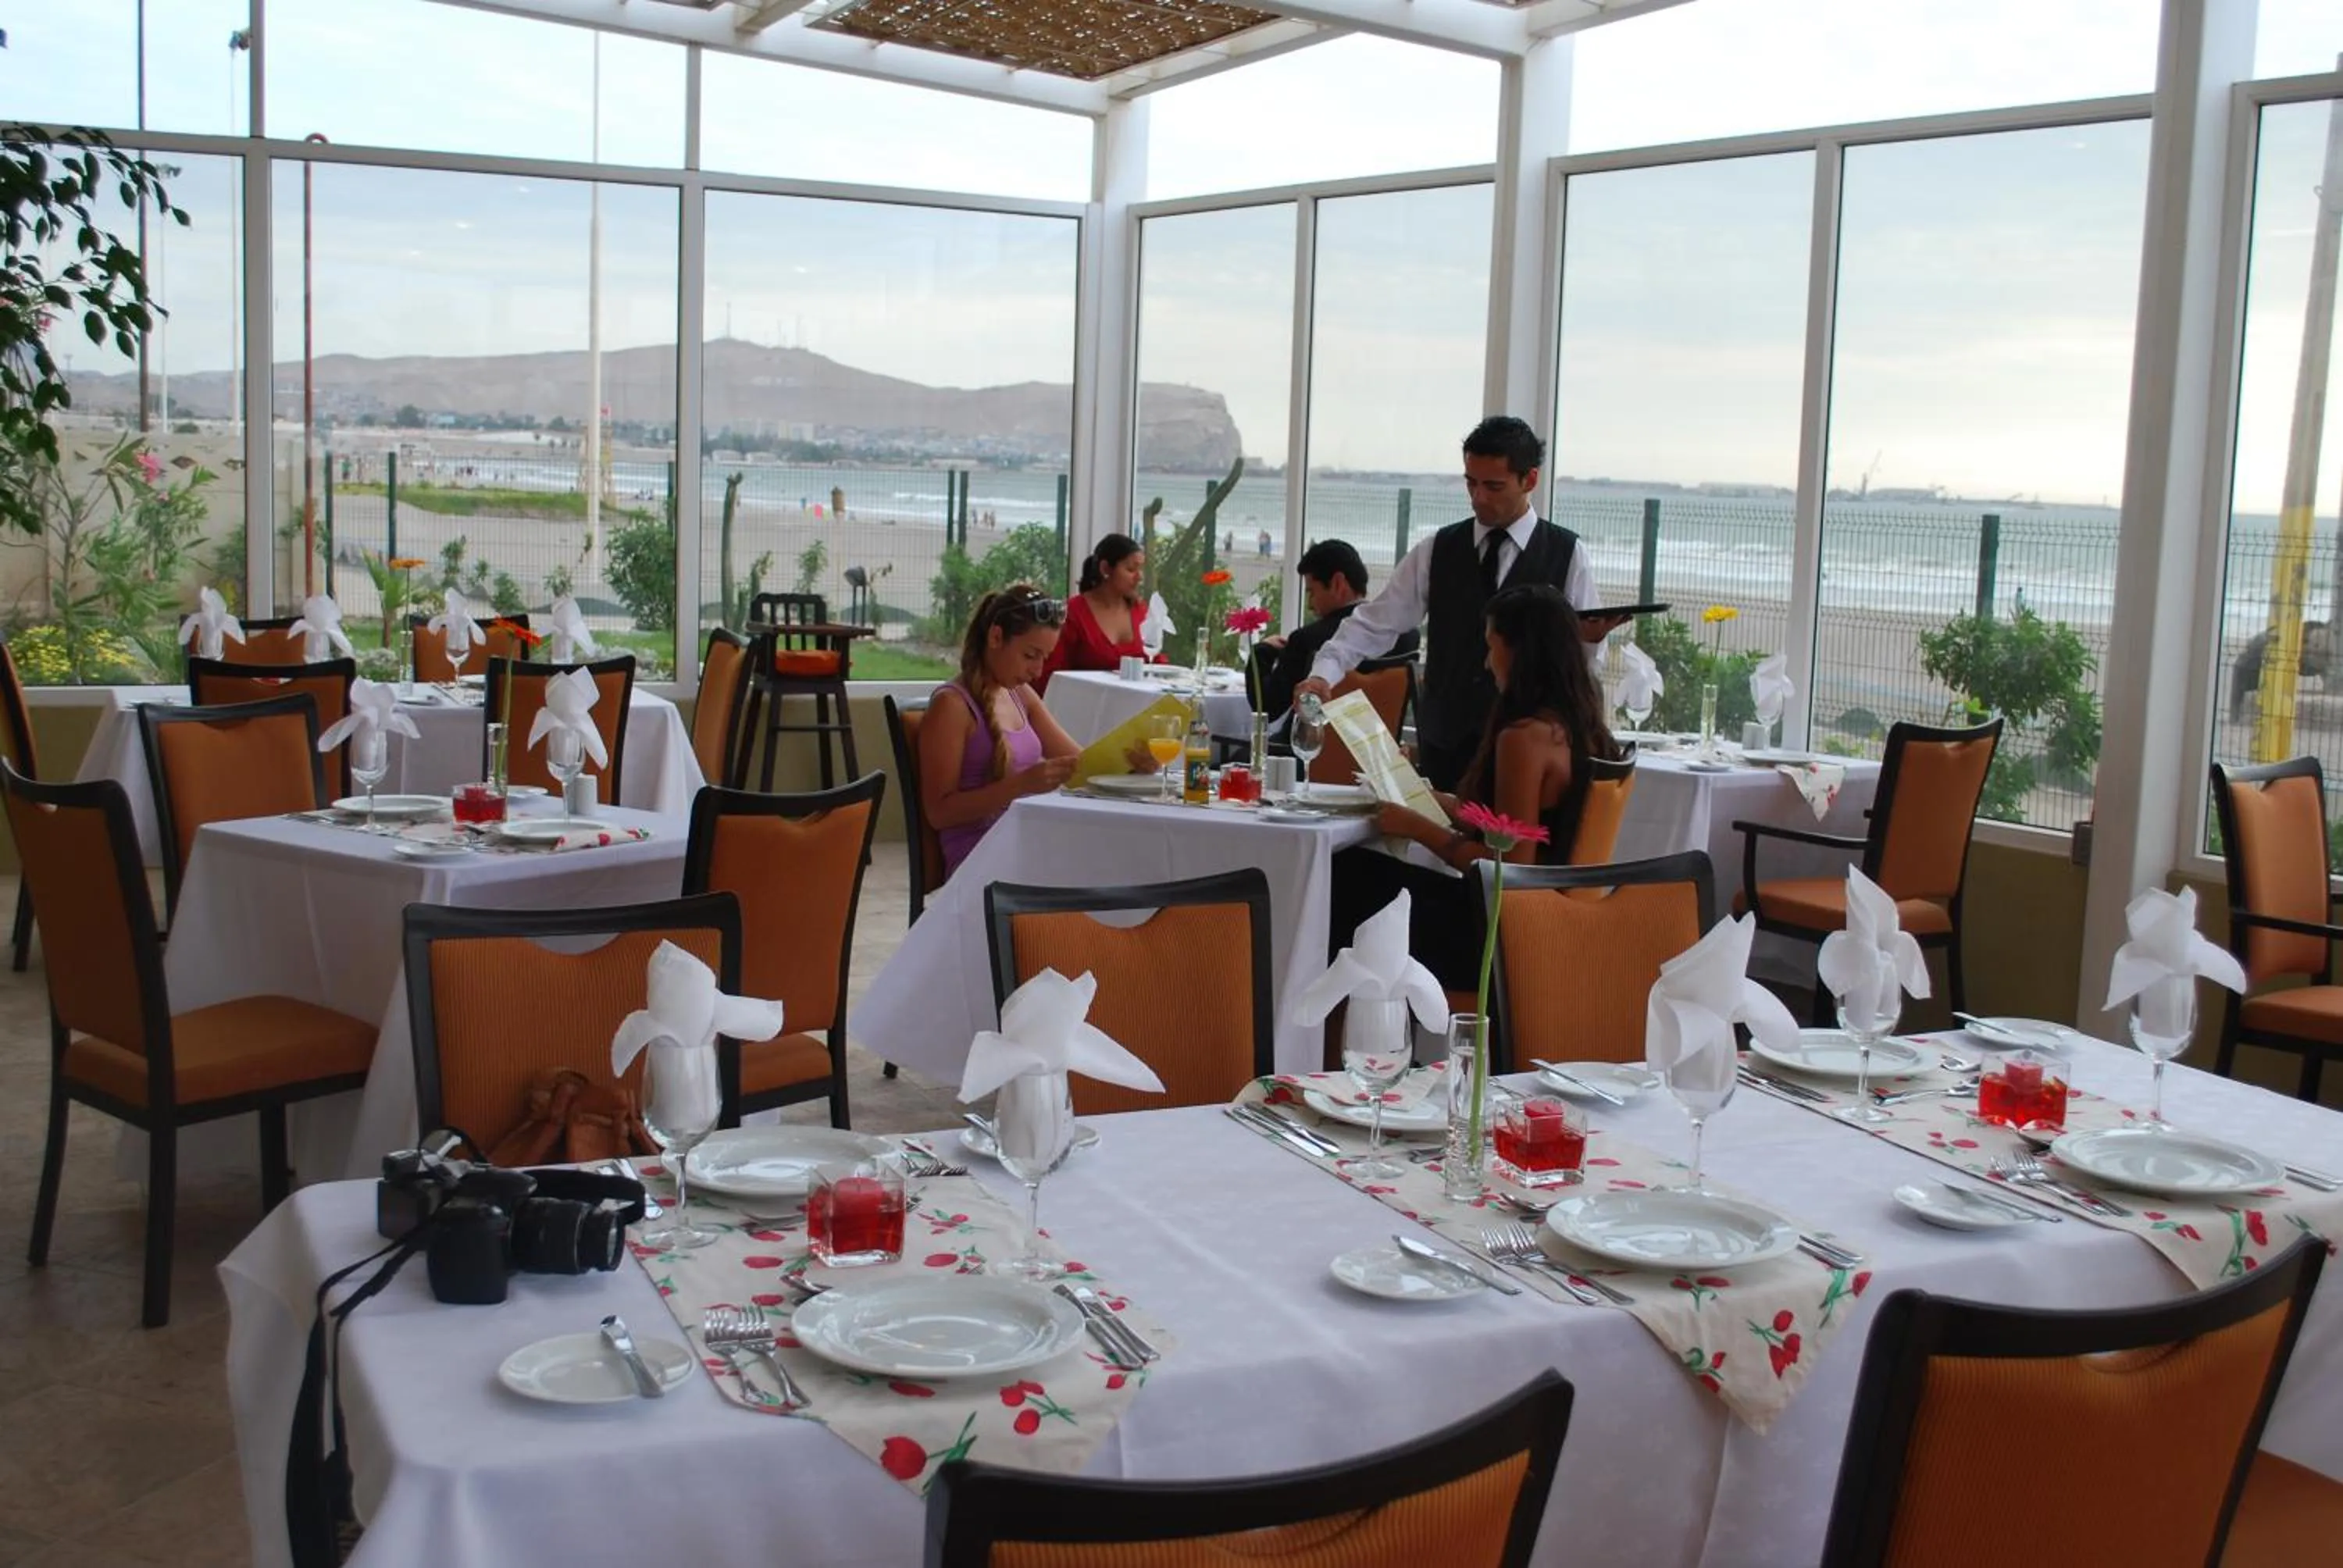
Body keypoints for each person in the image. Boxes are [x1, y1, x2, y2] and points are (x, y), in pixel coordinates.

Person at [1293, 417, 1628, 790]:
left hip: (1529, 752)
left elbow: (1583, 668)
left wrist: (1592, 641)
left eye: (1494, 486)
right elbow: (1374, 624)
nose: (1478, 497)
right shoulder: (1437, 549)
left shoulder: (1567, 553)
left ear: (1530, 480)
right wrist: (1323, 674)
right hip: (1444, 747)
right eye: (1471, 483)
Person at [1328, 583, 1621, 990]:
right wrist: (1436, 801)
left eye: (1492, 647)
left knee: (1344, 875)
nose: (1486, 663)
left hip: (1497, 938)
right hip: (1551, 925)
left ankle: (1332, 1022)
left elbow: (1507, 869)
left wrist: (1417, 827)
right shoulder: (1581, 730)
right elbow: (1524, 827)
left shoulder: (1525, 738)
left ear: (1519, 652)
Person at [922, 584, 1082, 878]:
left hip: (1022, 843)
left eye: (1045, 657)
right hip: (977, 859)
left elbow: (1081, 763)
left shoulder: (1020, 694)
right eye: (1030, 655)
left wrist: (1132, 762)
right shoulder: (952, 706)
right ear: (996, 637)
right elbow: (939, 813)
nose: (1038, 670)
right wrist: (1021, 785)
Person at [1253, 539, 1419, 721]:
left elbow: (1267, 708)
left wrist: (1263, 652)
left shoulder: (1306, 640)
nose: (1309, 605)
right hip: (1380, 738)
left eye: (1312, 592)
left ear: (1338, 584)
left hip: (1315, 737)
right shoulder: (1408, 636)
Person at [1038, 533, 1157, 693]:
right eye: (1131, 569)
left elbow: (1156, 661)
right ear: (1105, 569)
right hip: (1082, 702)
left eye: (1140, 570)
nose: (1139, 577)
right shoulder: (1072, 613)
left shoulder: (1141, 611)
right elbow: (1050, 675)